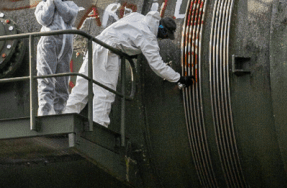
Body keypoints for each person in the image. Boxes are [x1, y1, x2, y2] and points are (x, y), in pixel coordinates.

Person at [63, 12, 192, 128]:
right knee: (105, 93)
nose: (164, 38)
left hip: (96, 45)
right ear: (162, 29)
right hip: (108, 53)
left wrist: (130, 50)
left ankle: (64, 119)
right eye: (165, 35)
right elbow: (157, 65)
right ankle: (98, 129)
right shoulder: (148, 37)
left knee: (82, 88)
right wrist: (179, 78)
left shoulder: (138, 17)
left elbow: (124, 33)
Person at [35, 0, 82, 115]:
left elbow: (69, 17)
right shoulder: (42, 5)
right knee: (46, 79)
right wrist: (50, 2)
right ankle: (45, 113)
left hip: (65, 45)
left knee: (62, 82)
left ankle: (60, 113)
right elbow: (44, 19)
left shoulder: (70, 5)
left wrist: (57, 1)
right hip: (49, 43)